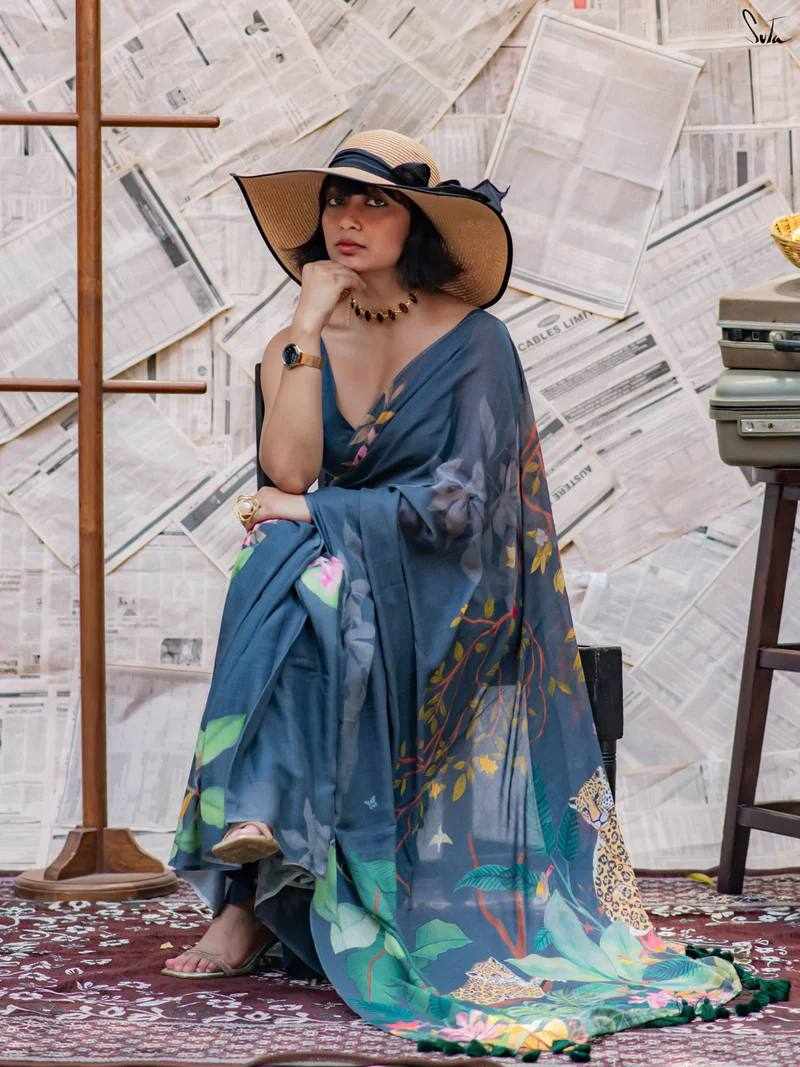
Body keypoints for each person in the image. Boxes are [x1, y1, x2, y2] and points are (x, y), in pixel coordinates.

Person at [165, 130, 744, 1054]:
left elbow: (461, 503)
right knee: (280, 560)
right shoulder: (296, 341)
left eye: (377, 203)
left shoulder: (477, 342)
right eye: (337, 201)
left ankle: (252, 869)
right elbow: (289, 470)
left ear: (419, 224)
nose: (350, 219)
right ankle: (256, 862)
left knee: (295, 562)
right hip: (347, 569)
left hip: (459, 580)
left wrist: (318, 517)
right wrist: (305, 329)